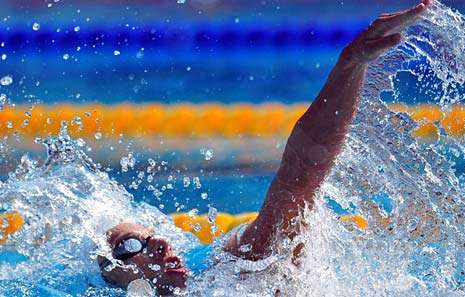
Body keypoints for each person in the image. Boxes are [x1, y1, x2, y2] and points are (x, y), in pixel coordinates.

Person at [97, 1, 432, 295]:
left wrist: (349, 67)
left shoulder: (234, 273)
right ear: (117, 276)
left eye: (152, 235)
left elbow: (297, 182)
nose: (159, 242)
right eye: (129, 246)